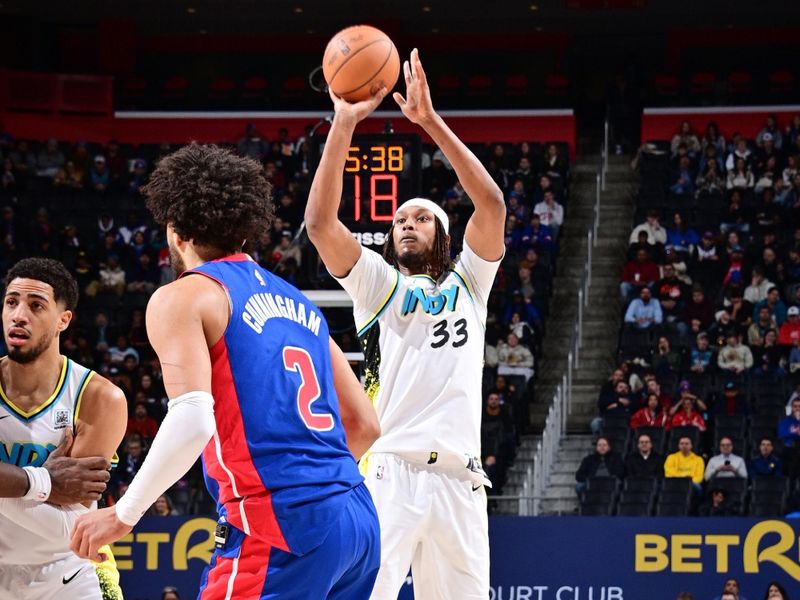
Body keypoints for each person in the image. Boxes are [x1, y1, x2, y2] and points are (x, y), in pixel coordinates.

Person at [70, 143, 382, 598]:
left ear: (175, 231)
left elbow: (193, 418)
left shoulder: (187, 295)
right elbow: (365, 425)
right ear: (244, 231)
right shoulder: (302, 305)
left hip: (280, 524)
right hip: (356, 519)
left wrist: (123, 514)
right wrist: (319, 491)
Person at [303, 48, 505, 599]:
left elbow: (491, 206)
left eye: (419, 218)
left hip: (463, 479)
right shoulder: (378, 283)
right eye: (398, 221)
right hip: (392, 471)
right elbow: (320, 224)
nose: (405, 225)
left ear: (442, 233)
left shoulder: (470, 283)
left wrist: (429, 122)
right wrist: (343, 122)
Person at [0, 258, 128, 599]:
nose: (18, 315)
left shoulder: (99, 397)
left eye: (36, 305)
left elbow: (67, 530)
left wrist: (9, 480)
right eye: (11, 302)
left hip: (69, 573)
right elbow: (56, 508)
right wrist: (45, 481)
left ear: (63, 320)